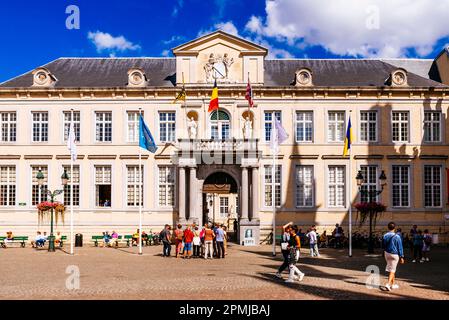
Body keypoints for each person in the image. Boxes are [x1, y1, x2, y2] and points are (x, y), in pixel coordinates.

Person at [382, 222, 405, 291]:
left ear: (388, 227)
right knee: (392, 270)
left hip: (387, 253)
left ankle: (392, 284)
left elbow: (383, 245)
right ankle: (388, 284)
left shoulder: (385, 235)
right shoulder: (397, 236)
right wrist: (402, 257)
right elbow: (400, 247)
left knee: (392, 269)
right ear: (394, 228)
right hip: (394, 254)